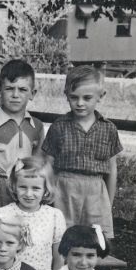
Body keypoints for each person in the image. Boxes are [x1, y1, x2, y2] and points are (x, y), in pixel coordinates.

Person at [41, 65, 121, 243]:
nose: (80, 103)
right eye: (74, 97)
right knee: (62, 238)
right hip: (64, 190)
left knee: (96, 240)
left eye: (87, 98)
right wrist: (49, 192)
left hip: (96, 192)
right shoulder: (59, 126)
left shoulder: (108, 129)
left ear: (101, 96)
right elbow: (48, 164)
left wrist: (108, 202)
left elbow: (112, 169)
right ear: (66, 95)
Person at [0, 59, 44, 221]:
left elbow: (38, 164)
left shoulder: (37, 127)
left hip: (23, 188)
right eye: (9, 89)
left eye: (22, 89)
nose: (15, 95)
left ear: (32, 93)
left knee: (21, 231)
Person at [0, 157, 66, 270]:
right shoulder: (3, 214)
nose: (28, 194)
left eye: (36, 188)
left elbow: (59, 258)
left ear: (46, 190)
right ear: (14, 186)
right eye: (23, 187)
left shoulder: (54, 216)